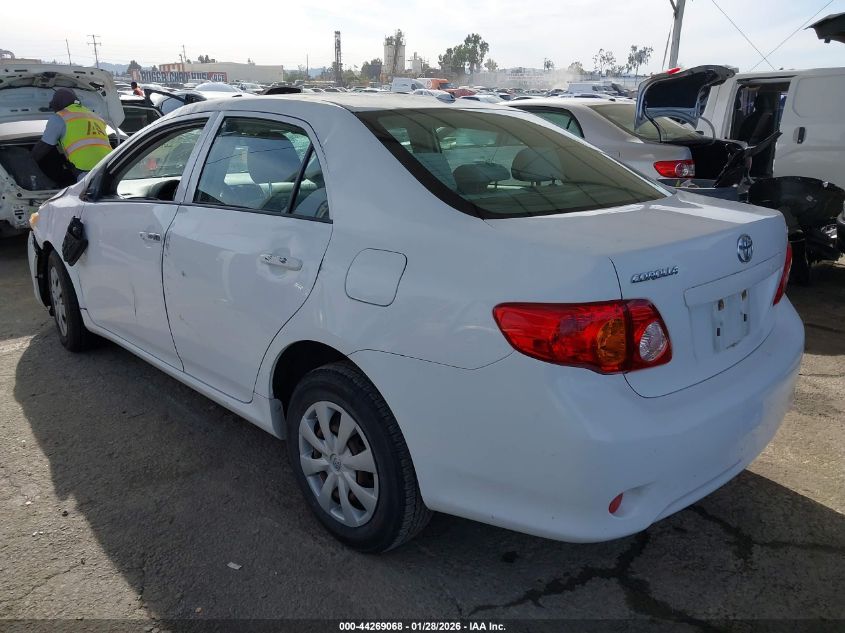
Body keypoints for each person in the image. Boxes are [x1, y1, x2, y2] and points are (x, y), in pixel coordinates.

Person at [31, 88, 112, 182]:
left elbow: (43, 147)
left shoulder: (60, 118)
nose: (54, 111)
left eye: (53, 107)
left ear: (58, 104)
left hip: (87, 171)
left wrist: (28, 163)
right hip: (110, 166)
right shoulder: (95, 117)